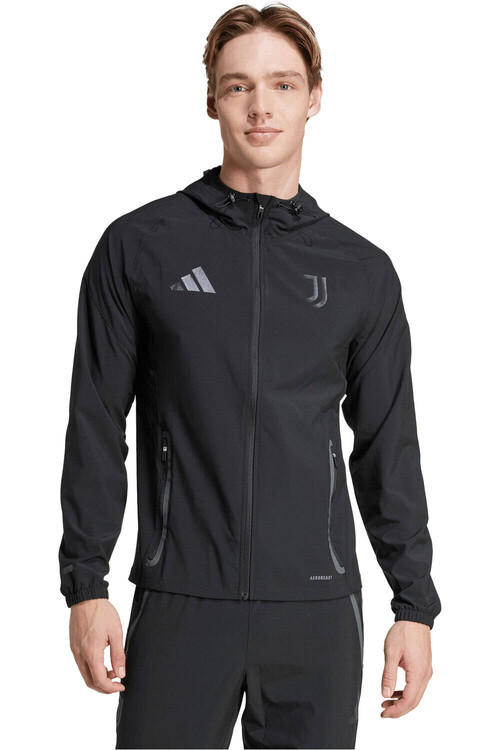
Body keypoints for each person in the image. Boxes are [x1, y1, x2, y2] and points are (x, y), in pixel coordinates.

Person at [58, 4, 442, 748]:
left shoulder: (361, 271)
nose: (261, 106)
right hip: (180, 600)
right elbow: (95, 423)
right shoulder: (140, 247)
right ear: (212, 99)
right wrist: (86, 584)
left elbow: (388, 446)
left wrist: (414, 605)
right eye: (238, 86)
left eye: (283, 84)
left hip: (316, 611)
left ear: (315, 97)